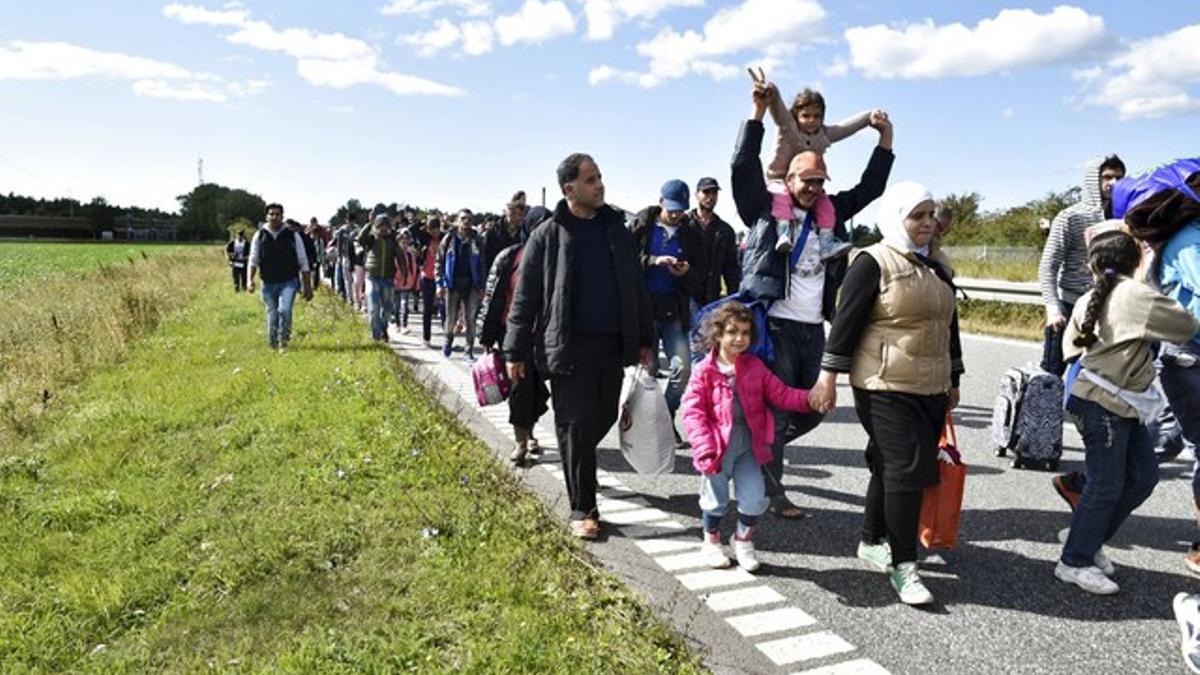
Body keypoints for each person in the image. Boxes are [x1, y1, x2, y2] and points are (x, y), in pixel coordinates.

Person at [736, 69, 895, 520]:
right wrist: (756, 113)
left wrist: (884, 139)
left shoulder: (831, 215)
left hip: (814, 329)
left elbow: (871, 188)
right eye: (806, 182)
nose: (814, 189)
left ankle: (757, 444)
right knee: (780, 409)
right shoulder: (766, 214)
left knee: (815, 408)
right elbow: (740, 168)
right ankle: (773, 492)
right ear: (788, 182)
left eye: (820, 182)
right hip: (779, 327)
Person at [811, 181, 963, 606]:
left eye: (932, 216)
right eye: (918, 216)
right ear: (897, 218)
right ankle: (904, 564)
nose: (928, 224)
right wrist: (828, 377)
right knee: (908, 469)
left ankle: (871, 539)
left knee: (888, 465)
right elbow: (844, 324)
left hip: (930, 385)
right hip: (883, 384)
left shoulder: (936, 265)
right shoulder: (872, 262)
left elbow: (948, 325)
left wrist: (955, 376)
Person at [503, 153, 653, 539]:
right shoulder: (547, 235)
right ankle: (582, 506)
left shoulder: (616, 231)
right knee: (575, 424)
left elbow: (636, 289)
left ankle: (580, 466)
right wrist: (514, 351)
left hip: (611, 345)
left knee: (601, 416)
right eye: (590, 180)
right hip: (567, 348)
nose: (599, 185)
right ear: (569, 189)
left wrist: (645, 340)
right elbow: (525, 299)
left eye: (600, 177)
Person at [1053, 230, 1198, 595]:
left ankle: (1086, 535)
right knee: (1106, 483)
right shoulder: (1137, 296)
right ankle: (1075, 560)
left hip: (1105, 398)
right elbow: (1185, 326)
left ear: (1092, 265)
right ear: (1137, 261)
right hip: (1105, 402)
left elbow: (1070, 346)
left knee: (1143, 477)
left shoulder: (1090, 296)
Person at [681, 301, 811, 572]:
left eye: (745, 332)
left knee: (754, 497)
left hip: (750, 445)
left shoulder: (755, 366)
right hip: (716, 447)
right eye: (732, 332)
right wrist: (703, 446)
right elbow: (692, 412)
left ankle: (743, 540)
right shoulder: (704, 371)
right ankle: (712, 541)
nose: (739, 338)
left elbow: (781, 394)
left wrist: (812, 399)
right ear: (718, 335)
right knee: (714, 500)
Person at [1116, 163, 1200, 573]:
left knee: (1168, 440)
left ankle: (1099, 478)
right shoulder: (1187, 239)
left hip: (1184, 353)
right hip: (1189, 356)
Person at [764, 80, 876, 260]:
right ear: (795, 115)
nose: (811, 121)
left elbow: (846, 128)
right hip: (778, 179)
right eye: (805, 115)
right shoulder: (788, 127)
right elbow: (778, 112)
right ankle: (783, 232)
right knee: (781, 196)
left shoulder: (823, 135)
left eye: (817, 116)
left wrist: (869, 116)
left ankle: (826, 243)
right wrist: (772, 92)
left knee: (826, 205)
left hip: (806, 183)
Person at [1037, 155, 1126, 377]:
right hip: (1070, 306)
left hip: (1109, 308)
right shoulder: (1069, 216)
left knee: (1104, 377)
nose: (1113, 183)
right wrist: (1053, 308)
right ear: (1092, 179)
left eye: (1118, 178)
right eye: (1107, 177)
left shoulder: (1125, 217)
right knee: (1051, 380)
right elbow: (1048, 265)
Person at [478, 206, 553, 465]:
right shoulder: (510, 257)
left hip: (545, 336)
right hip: (512, 334)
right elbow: (492, 297)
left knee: (537, 390)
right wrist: (486, 334)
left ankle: (530, 431)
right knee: (520, 389)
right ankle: (521, 442)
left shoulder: (559, 259)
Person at [632, 180, 702, 445]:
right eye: (671, 209)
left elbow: (698, 276)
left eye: (681, 210)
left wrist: (686, 273)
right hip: (644, 310)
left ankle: (664, 417)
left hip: (674, 311)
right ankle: (644, 428)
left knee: (682, 370)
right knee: (646, 374)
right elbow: (627, 262)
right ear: (660, 201)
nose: (675, 215)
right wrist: (653, 261)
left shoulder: (690, 233)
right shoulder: (642, 226)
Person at [247, 203, 313, 349]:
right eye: (271, 214)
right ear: (266, 216)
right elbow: (253, 259)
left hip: (289, 281)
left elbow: (303, 261)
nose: (274, 217)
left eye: (277, 214)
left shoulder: (292, 235)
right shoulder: (260, 235)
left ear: (282, 216)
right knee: (272, 313)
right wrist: (249, 280)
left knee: (285, 310)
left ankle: (284, 341)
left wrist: (307, 286)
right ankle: (273, 343)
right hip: (268, 282)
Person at [437, 209, 485, 361]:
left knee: (470, 319)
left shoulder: (477, 239)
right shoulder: (449, 239)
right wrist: (440, 284)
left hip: (472, 285)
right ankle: (447, 341)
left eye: (469, 219)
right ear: (457, 220)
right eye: (463, 218)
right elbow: (439, 262)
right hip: (452, 285)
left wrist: (482, 285)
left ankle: (468, 350)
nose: (466, 222)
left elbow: (483, 263)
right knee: (451, 318)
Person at [688, 177, 741, 308]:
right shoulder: (683, 225)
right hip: (686, 297)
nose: (710, 197)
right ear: (696, 195)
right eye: (706, 192)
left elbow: (731, 268)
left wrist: (733, 299)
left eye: (714, 193)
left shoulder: (725, 230)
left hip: (712, 297)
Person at [357, 214, 404, 342]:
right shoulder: (371, 239)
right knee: (373, 308)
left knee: (388, 309)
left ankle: (383, 328)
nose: (383, 229)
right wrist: (369, 224)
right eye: (380, 226)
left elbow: (400, 257)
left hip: (388, 279)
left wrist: (404, 273)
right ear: (376, 226)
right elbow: (360, 238)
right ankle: (376, 336)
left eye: (386, 226)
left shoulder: (393, 241)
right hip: (372, 277)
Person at [482, 192, 527, 278]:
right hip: (497, 276)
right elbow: (485, 259)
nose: (520, 218)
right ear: (509, 213)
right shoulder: (492, 233)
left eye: (521, 215)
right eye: (517, 215)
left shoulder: (523, 232)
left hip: (516, 277)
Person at [418, 216, 444, 349]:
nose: (434, 232)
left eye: (436, 229)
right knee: (427, 309)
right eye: (431, 229)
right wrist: (423, 222)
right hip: (427, 276)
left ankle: (447, 339)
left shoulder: (445, 238)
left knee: (444, 308)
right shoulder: (424, 238)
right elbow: (412, 229)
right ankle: (426, 337)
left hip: (442, 278)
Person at [393, 231, 420, 335]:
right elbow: (392, 268)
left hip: (407, 283)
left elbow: (414, 269)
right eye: (402, 243)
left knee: (405, 304)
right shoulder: (394, 255)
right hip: (396, 283)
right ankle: (397, 324)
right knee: (396, 305)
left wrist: (414, 282)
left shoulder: (410, 255)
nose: (404, 245)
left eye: (406, 243)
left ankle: (404, 325)